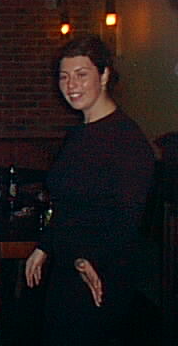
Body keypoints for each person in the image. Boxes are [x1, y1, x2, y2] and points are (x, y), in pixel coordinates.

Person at [25, 34, 155, 346]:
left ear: (104, 75)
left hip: (100, 272)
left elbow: (127, 218)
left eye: (81, 74)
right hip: (69, 266)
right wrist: (44, 246)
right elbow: (68, 203)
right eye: (64, 76)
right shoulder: (79, 134)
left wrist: (89, 260)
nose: (71, 85)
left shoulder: (126, 139)